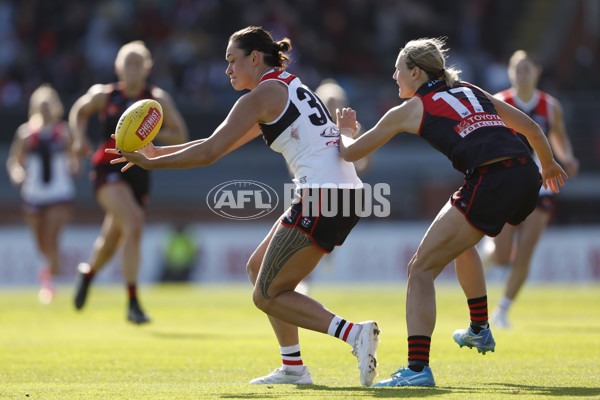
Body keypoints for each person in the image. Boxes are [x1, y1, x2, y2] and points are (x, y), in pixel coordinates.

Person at [108, 26, 380, 386]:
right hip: (337, 193)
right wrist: (158, 151)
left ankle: (353, 334)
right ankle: (293, 367)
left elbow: (209, 154)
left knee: (266, 295)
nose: (228, 70)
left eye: (232, 60)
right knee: (257, 269)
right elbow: (215, 141)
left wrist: (150, 164)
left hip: (324, 196)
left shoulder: (261, 96)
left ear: (255, 58)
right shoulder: (283, 86)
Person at [336, 37, 567, 387]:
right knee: (461, 243)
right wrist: (548, 166)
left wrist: (344, 132)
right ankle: (479, 328)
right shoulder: (470, 90)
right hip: (526, 174)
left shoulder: (412, 108)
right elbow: (532, 129)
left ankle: (417, 370)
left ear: (415, 72)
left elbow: (351, 154)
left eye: (398, 70)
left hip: (492, 178)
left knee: (420, 268)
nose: (394, 76)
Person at [68, 40, 189, 324]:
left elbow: (180, 135)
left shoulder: (157, 100)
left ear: (147, 68)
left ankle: (87, 274)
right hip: (107, 167)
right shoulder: (105, 95)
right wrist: (78, 138)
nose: (132, 68)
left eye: (138, 63)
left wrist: (147, 136)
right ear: (118, 67)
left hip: (139, 172)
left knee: (112, 239)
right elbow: (78, 110)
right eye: (128, 62)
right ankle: (133, 302)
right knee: (133, 222)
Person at [481, 50, 579, 328]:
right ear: (510, 73)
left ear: (537, 72)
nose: (521, 73)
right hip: (508, 185)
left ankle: (502, 310)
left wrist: (567, 157)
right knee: (502, 257)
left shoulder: (551, 107)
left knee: (526, 252)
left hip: (542, 187)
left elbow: (559, 138)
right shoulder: (500, 102)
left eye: (526, 68)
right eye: (516, 68)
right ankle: (489, 251)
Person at [6, 84, 77, 304]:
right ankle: (48, 274)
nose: (45, 111)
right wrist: (17, 174)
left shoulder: (63, 133)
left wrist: (74, 163)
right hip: (34, 192)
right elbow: (14, 162)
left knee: (52, 235)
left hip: (59, 192)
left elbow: (74, 160)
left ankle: (50, 284)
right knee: (41, 242)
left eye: (48, 106)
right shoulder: (26, 134)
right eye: (41, 106)